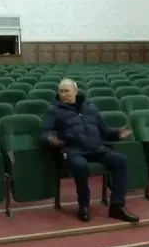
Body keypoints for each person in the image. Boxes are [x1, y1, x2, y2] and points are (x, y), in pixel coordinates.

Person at [42, 78, 139, 223]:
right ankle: (84, 205)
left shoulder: (91, 108)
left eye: (66, 91)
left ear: (75, 91)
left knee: (120, 161)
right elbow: (45, 132)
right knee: (80, 166)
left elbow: (104, 131)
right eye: (60, 91)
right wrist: (51, 139)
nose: (63, 94)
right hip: (73, 151)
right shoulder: (54, 110)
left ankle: (117, 206)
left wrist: (117, 134)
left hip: (96, 149)